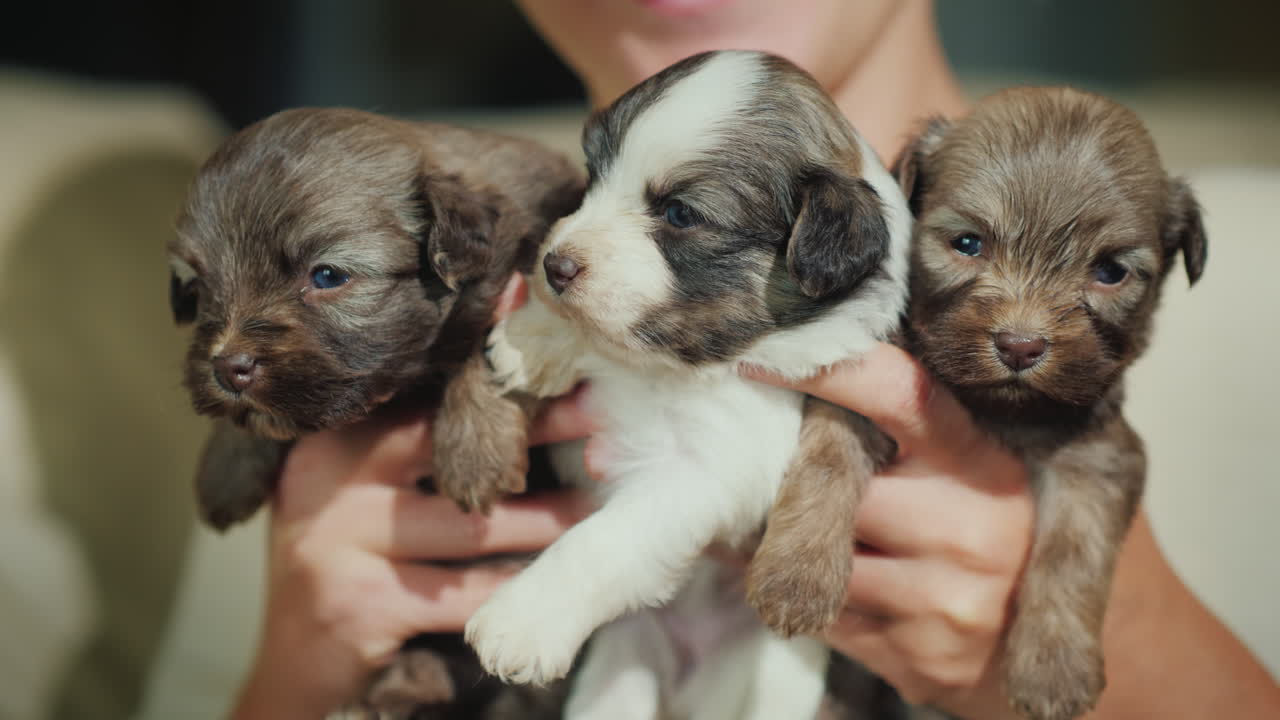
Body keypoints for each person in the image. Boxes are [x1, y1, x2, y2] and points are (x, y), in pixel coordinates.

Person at [231, 1, 1280, 718]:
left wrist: (1139, 650)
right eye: (963, 245)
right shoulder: (358, 243)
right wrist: (295, 664)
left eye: (1104, 271)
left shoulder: (1248, 289)